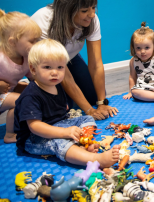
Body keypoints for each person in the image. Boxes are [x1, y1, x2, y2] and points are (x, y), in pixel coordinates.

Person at [14, 39, 120, 168]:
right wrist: (64, 133)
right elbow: (35, 126)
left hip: (58, 124)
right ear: (33, 69)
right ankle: (94, 159)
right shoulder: (30, 95)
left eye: (60, 67)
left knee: (87, 118)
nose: (55, 72)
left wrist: (69, 129)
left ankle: (83, 143)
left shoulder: (56, 84)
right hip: (34, 137)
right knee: (60, 143)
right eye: (47, 67)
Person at [31, 0, 118, 121]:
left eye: (93, 8)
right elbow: (61, 71)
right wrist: (89, 110)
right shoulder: (43, 22)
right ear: (66, 8)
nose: (91, 14)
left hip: (69, 58)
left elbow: (96, 63)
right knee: (62, 106)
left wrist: (101, 103)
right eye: (84, 10)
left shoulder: (92, 20)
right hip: (45, 65)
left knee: (93, 96)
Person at [0, 9, 41, 143]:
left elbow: (34, 78)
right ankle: (11, 135)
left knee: (28, 94)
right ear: (12, 42)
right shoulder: (1, 58)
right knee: (22, 99)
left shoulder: (26, 57)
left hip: (6, 94)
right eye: (32, 41)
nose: (36, 45)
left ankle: (12, 132)